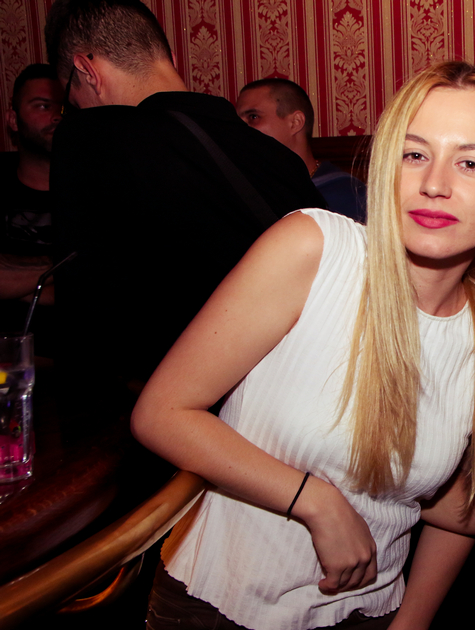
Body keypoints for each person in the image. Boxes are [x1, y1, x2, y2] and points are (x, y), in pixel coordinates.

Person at [131, 61, 475, 630]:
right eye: (415, 154)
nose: (434, 183)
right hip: (219, 609)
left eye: (470, 162)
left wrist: (411, 626)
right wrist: (313, 500)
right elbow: (161, 414)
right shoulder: (313, 249)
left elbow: (462, 508)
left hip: (371, 615)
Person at [44, 0, 324, 427]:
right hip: (306, 404)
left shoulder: (92, 138)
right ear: (169, 59)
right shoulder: (277, 156)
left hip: (190, 425)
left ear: (87, 71)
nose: (76, 109)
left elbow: (89, 327)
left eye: (71, 99)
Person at [237, 78, 368, 223]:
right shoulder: (244, 191)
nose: (238, 129)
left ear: (295, 122)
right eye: (236, 121)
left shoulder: (348, 197)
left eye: (253, 117)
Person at [1, 64, 63, 349]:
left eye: (64, 108)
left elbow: (101, 288)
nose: (57, 116)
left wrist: (13, 281)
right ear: (13, 120)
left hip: (73, 358)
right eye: (42, 106)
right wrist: (61, 266)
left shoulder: (98, 187)